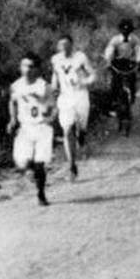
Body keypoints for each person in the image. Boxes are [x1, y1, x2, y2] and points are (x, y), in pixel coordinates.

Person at [8, 53, 56, 206]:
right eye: (24, 66)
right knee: (21, 162)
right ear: (20, 67)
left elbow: (53, 106)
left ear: (37, 69)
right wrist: (12, 119)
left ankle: (41, 193)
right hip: (26, 127)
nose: (27, 70)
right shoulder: (16, 85)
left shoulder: (44, 86)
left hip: (42, 126)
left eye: (31, 66)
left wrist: (49, 113)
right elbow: (12, 102)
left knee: (40, 163)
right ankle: (30, 170)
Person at [50, 34, 95, 180]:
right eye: (62, 46)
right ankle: (72, 166)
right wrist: (54, 87)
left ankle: (82, 134)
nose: (65, 48)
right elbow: (55, 76)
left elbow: (93, 74)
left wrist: (84, 82)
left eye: (67, 45)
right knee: (67, 129)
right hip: (65, 98)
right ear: (58, 47)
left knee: (81, 127)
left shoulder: (80, 57)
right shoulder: (55, 60)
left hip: (81, 96)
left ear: (72, 45)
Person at [103, 18, 140, 108]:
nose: (125, 32)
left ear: (131, 30)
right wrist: (108, 61)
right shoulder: (115, 40)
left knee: (132, 80)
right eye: (123, 29)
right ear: (120, 30)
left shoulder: (134, 39)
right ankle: (113, 102)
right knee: (114, 82)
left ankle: (132, 96)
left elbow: (139, 51)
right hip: (117, 63)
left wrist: (139, 61)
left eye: (128, 30)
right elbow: (109, 50)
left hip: (129, 62)